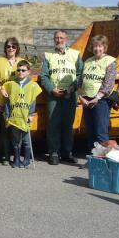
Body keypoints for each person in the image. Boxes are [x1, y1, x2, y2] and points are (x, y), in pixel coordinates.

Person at [40, 30, 83, 165]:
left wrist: (72, 88)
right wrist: (52, 89)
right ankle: (53, 153)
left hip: (70, 95)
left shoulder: (75, 54)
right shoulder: (48, 56)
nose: (59, 40)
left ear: (66, 39)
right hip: (54, 95)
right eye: (57, 38)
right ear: (54, 40)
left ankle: (66, 153)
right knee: (53, 125)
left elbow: (81, 74)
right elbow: (44, 76)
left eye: (61, 38)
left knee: (67, 125)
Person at [78, 35, 117, 152]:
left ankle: (103, 162)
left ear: (104, 47)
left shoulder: (110, 61)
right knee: (90, 131)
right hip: (86, 100)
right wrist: (80, 97)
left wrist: (97, 97)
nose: (97, 49)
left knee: (101, 132)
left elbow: (108, 83)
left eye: (100, 46)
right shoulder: (88, 61)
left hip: (101, 101)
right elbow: (81, 81)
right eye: (95, 46)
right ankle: (93, 160)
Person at [2, 60, 42, 168]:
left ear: (28, 72)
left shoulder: (32, 85)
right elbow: (7, 101)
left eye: (23, 70)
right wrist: (7, 114)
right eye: (18, 70)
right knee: (15, 140)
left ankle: (27, 159)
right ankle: (16, 158)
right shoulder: (11, 84)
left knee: (26, 139)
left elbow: (33, 101)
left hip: (25, 116)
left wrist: (31, 114)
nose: (20, 72)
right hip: (15, 117)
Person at [0, 37, 24, 165]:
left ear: (17, 48)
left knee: (16, 130)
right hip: (2, 100)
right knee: (4, 130)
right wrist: (0, 89)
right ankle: (5, 156)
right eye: (8, 46)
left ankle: (16, 155)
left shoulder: (22, 62)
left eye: (13, 46)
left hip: (17, 101)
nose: (11, 48)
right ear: (5, 48)